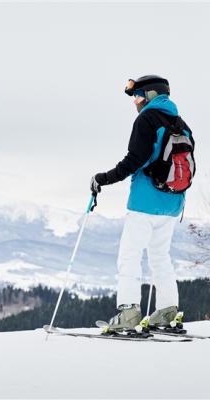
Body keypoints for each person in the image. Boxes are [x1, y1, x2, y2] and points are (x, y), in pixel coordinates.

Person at [90, 75, 195, 330]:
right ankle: (168, 311)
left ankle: (129, 313)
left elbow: (133, 160)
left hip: (145, 203)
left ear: (150, 95)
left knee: (130, 255)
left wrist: (102, 178)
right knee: (160, 256)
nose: (135, 101)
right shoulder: (181, 124)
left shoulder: (146, 120)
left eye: (137, 95)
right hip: (172, 204)